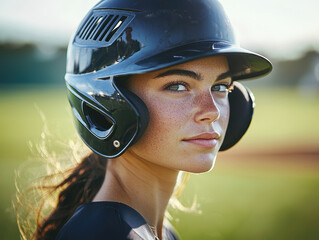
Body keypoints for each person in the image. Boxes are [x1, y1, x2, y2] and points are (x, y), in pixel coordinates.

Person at [19, 0, 272, 239]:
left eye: (220, 86)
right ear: (107, 103)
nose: (212, 111)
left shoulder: (147, 230)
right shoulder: (105, 234)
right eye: (177, 86)